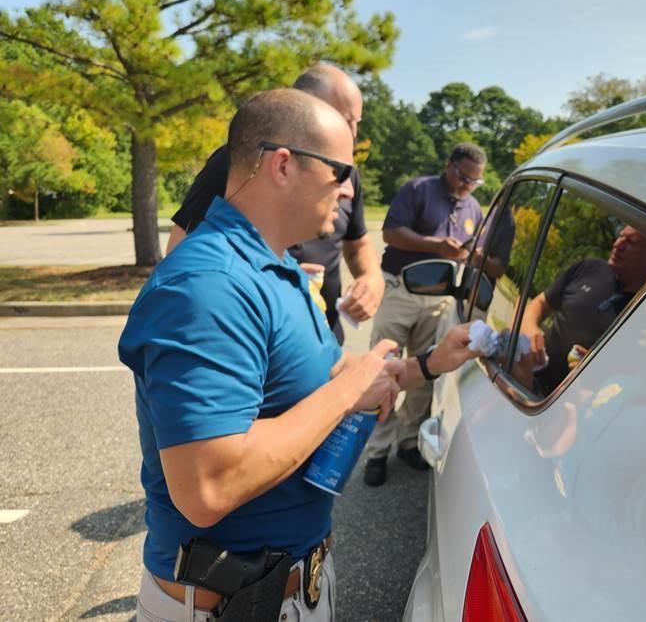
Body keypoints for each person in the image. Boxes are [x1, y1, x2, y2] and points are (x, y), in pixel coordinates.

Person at [119, 89, 479, 621]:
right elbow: (207, 487)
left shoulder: (281, 267)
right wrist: (344, 393)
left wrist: (424, 365)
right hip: (228, 606)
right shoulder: (208, 286)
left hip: (291, 587)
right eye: (341, 172)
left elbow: (329, 377)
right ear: (283, 165)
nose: (351, 190)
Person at [166, 63, 383, 342]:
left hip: (322, 339)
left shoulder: (346, 174)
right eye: (346, 120)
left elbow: (358, 243)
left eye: (356, 123)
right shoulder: (239, 162)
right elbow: (182, 248)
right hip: (263, 345)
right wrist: (277, 282)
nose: (353, 133)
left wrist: (372, 280)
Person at [361, 142, 487, 487]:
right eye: (463, 177)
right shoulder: (419, 189)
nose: (466, 186)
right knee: (383, 368)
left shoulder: (474, 207)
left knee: (424, 370)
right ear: (449, 166)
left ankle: (407, 440)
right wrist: (435, 245)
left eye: (474, 182)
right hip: (401, 289)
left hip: (438, 299)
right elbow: (391, 232)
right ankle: (376, 451)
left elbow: (475, 248)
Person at [515, 225, 646, 396]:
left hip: (560, 409)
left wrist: (594, 372)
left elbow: (627, 383)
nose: (617, 244)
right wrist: (530, 328)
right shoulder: (590, 268)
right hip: (520, 375)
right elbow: (540, 303)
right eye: (620, 236)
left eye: (630, 242)